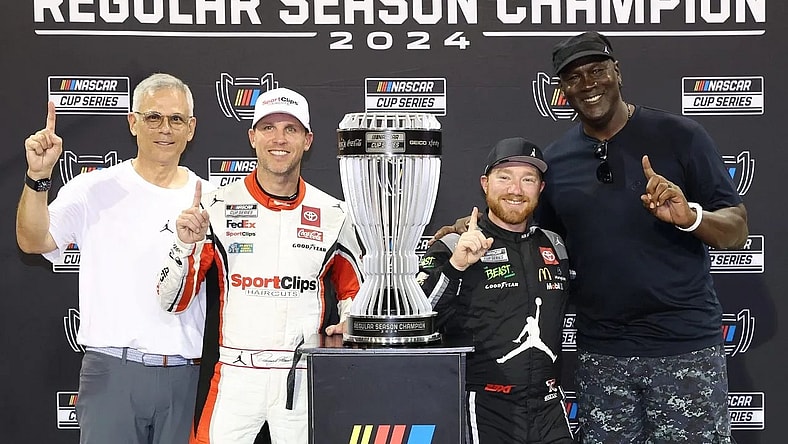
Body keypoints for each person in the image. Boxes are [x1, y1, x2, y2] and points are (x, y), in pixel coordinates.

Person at [156, 87, 363, 444]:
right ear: (252, 137)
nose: (279, 139)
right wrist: (185, 245)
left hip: (301, 376)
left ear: (307, 140)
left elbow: (355, 291)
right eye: (268, 128)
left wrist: (350, 320)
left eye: (291, 129)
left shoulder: (334, 213)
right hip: (235, 375)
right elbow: (172, 301)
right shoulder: (214, 206)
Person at [16, 73, 210, 444]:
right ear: (133, 122)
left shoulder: (213, 199)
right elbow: (32, 240)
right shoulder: (92, 189)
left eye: (176, 119)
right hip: (112, 374)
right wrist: (38, 176)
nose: (165, 128)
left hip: (188, 377)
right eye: (153, 117)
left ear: (191, 128)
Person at [417, 137, 574, 443]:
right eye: (505, 178)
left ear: (541, 188)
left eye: (528, 179)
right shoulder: (454, 244)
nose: (516, 189)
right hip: (486, 407)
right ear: (485, 184)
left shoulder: (554, 244)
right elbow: (419, 317)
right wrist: (456, 266)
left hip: (549, 408)